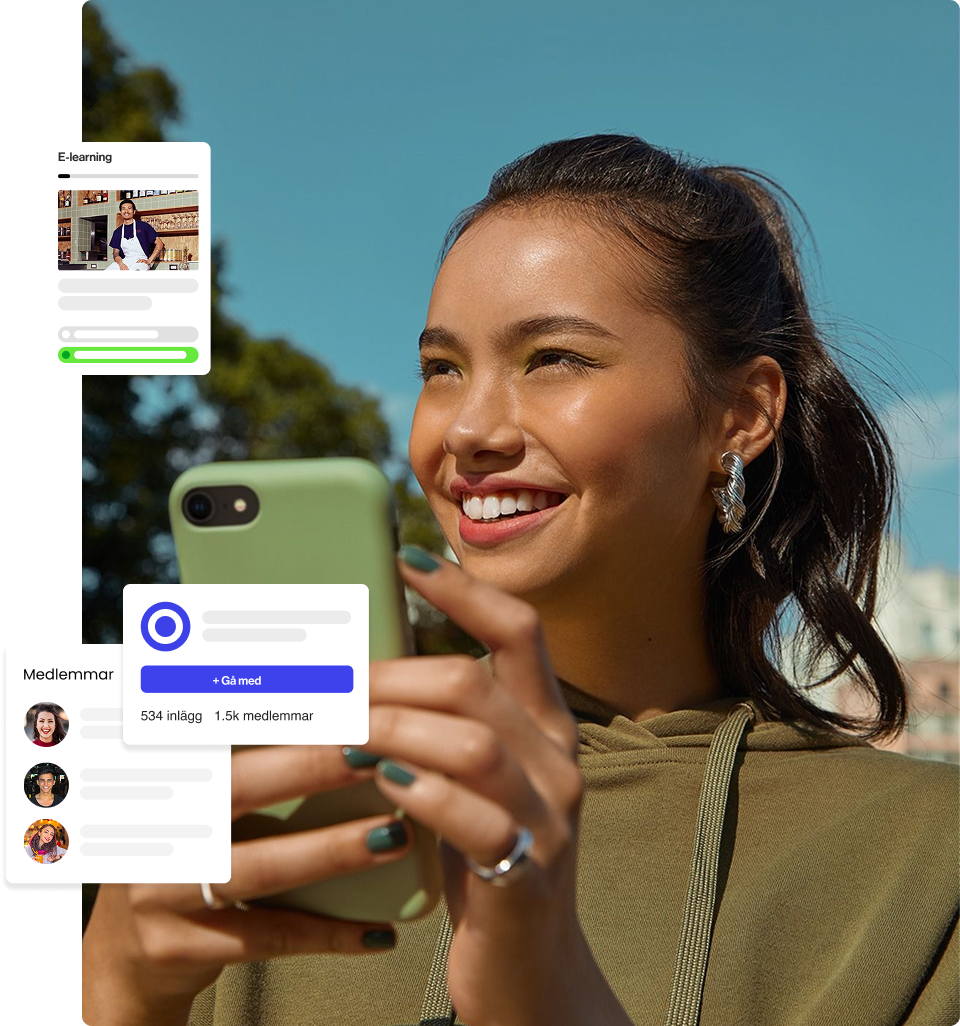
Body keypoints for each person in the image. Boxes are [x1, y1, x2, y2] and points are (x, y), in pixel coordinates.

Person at [81, 134, 960, 1026]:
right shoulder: (287, 813)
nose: (467, 429)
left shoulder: (927, 863)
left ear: (742, 413)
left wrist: (544, 996)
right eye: (441, 369)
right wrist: (114, 989)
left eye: (554, 359)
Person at [104, 199, 163, 271]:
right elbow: (116, 254)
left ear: (134, 211)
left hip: (140, 262)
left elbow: (159, 244)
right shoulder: (117, 232)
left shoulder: (143, 226)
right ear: (120, 212)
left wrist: (149, 261)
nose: (126, 211)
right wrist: (121, 264)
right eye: (123, 209)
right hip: (124, 261)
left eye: (129, 208)